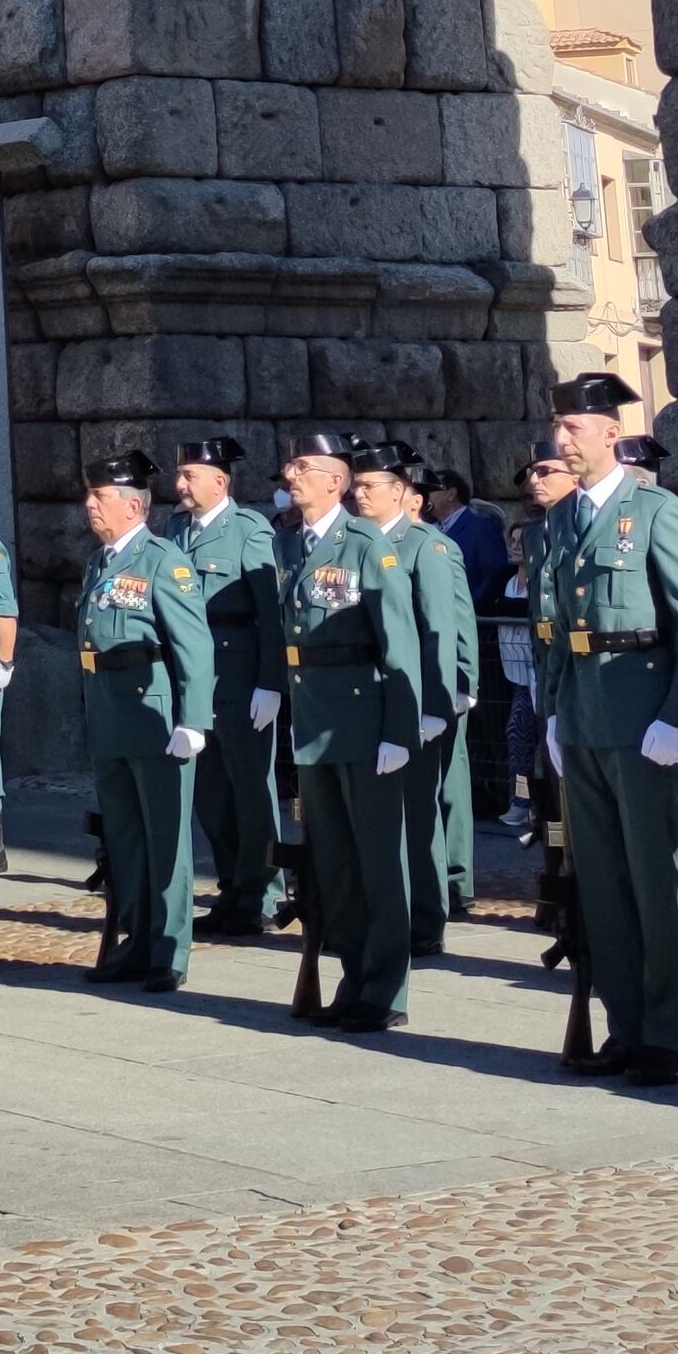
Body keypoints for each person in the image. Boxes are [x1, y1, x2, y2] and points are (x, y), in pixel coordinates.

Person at [534, 373, 678, 1080]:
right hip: (583, 712)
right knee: (603, 886)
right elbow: (552, 625)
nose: (561, 441)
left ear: (610, 434)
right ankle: (625, 1024)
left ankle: (669, 1035)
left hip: (643, 714)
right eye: (558, 429)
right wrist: (553, 709)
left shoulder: (655, 510)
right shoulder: (560, 519)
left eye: (574, 430)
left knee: (651, 878)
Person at [271, 423, 420, 1032]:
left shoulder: (365, 544)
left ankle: (384, 990)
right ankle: (353, 978)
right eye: (290, 468)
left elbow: (399, 641)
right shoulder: (289, 546)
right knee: (334, 863)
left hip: (365, 720)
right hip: (314, 723)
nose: (290, 477)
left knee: (379, 863)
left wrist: (398, 731)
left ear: (335, 481)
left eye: (302, 468)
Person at [71, 448, 212, 992]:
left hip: (153, 710)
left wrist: (193, 718)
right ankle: (135, 937)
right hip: (110, 709)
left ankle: (169, 949)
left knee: (165, 837)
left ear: (133, 506)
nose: (90, 505)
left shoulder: (162, 561)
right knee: (126, 836)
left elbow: (192, 645)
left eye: (100, 497)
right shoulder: (99, 562)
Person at [355, 440, 477, 957]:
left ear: (401, 492)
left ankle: (426, 919)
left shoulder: (425, 545)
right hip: (368, 698)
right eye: (356, 485)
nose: (359, 494)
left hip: (416, 698)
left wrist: (440, 702)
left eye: (370, 486)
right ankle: (387, 911)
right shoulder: (354, 543)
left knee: (419, 813)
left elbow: (439, 629)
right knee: (381, 816)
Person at [166, 436, 277, 946]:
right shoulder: (173, 530)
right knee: (211, 793)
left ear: (221, 481)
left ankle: (263, 893)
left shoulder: (249, 531)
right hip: (194, 679)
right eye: (180, 475)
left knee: (250, 789)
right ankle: (233, 887)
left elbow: (271, 613)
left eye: (191, 476)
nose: (181, 485)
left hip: (237, 673)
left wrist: (270, 681)